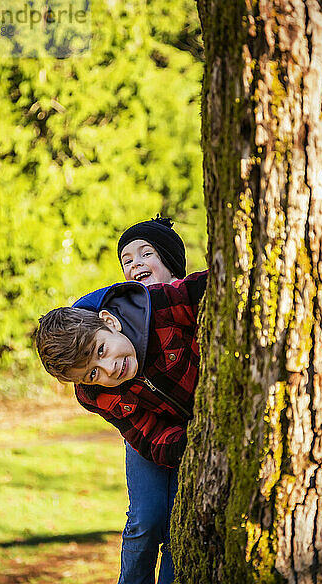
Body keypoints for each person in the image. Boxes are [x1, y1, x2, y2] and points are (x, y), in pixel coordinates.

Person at [36, 222, 207, 584]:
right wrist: (186, 445)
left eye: (101, 352)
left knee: (181, 517)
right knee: (146, 518)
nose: (109, 369)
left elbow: (202, 289)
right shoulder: (96, 392)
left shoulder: (159, 305)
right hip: (159, 438)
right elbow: (144, 431)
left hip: (193, 417)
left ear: (110, 322)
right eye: (93, 373)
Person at [115, 215, 186, 584]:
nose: (135, 263)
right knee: (145, 519)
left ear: (170, 260)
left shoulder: (190, 304)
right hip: (143, 430)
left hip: (189, 431)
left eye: (146, 253)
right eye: (127, 260)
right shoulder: (121, 314)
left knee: (180, 523)